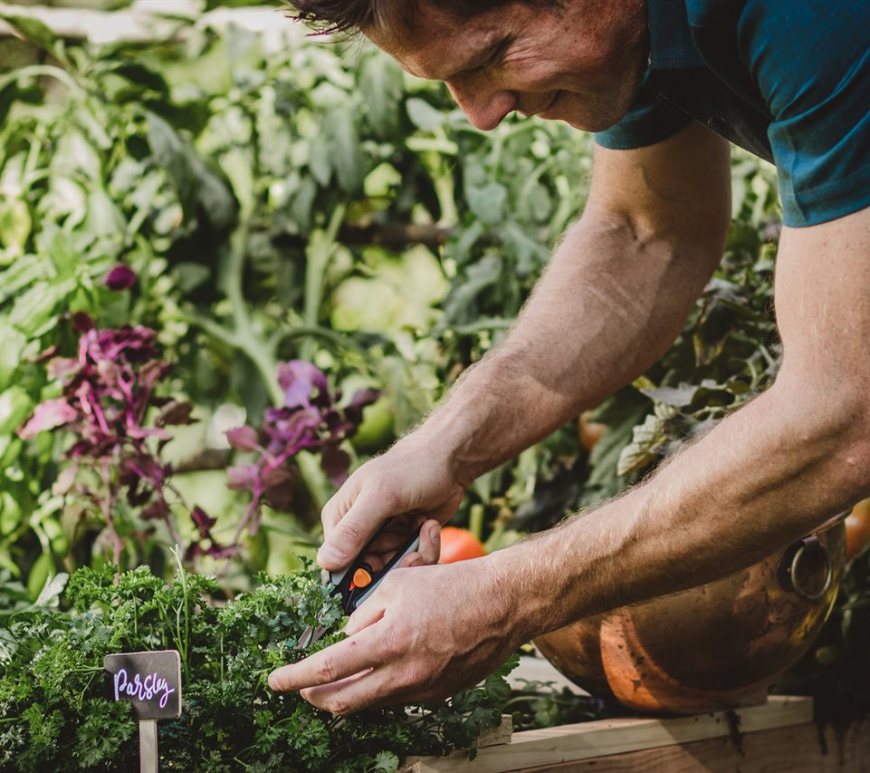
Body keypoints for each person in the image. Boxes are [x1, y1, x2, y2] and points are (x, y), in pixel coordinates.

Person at [268, 0, 870, 714]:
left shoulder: (811, 14)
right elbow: (645, 233)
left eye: (492, 55)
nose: (480, 114)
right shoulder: (628, 31)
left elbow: (845, 414)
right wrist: (446, 446)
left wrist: (506, 596)